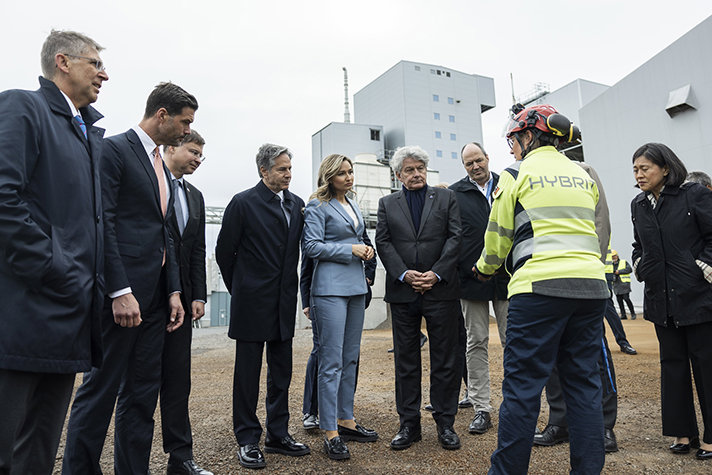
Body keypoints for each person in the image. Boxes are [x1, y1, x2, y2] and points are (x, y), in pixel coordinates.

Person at [63, 82, 195, 474]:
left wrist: (173, 290)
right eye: (185, 122)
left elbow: (164, 231)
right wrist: (119, 290)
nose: (187, 130)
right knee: (100, 391)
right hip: (121, 298)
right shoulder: (115, 150)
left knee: (141, 395)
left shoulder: (160, 165)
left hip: (155, 301)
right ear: (162, 115)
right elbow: (105, 225)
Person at [475, 103, 610, 474]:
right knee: (584, 386)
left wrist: (484, 269)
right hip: (590, 289)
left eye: (514, 140)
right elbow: (595, 229)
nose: (512, 149)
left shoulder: (515, 173)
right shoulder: (582, 174)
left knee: (522, 389)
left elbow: (498, 235)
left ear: (530, 136)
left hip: (538, 289)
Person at [0, 29, 108, 474]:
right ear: (62, 62)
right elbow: (4, 197)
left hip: (67, 314)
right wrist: (52, 265)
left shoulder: (85, 130)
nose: (105, 73)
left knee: (39, 448)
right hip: (25, 312)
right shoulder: (23, 106)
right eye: (94, 64)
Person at [215, 144, 310, 469]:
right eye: (282, 169)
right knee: (247, 375)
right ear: (263, 171)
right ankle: (247, 438)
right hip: (252, 303)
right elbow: (224, 252)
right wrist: (241, 289)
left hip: (284, 302)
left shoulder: (297, 204)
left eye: (289, 169)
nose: (288, 174)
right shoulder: (243, 203)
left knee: (281, 373)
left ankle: (278, 434)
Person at [375, 145, 463, 451]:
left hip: (441, 290)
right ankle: (408, 424)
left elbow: (455, 237)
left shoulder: (446, 198)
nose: (416, 174)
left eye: (420, 169)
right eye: (410, 170)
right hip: (403, 292)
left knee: (445, 359)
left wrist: (436, 273)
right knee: (406, 361)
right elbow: (383, 242)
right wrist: (403, 273)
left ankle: (445, 423)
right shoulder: (387, 203)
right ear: (398, 174)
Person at [631, 142, 712, 460]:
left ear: (665, 168)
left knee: (707, 367)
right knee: (673, 367)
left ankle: (710, 437)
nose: (638, 174)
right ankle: (683, 433)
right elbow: (639, 244)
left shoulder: (694, 195)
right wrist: (640, 266)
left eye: (644, 168)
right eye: (635, 169)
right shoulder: (639, 204)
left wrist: (703, 268)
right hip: (660, 299)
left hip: (697, 297)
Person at [534, 160, 620, 454]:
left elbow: (600, 220)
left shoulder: (581, 170)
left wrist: (592, 265)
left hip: (583, 278)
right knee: (552, 357)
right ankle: (560, 422)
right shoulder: (527, 172)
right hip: (545, 279)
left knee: (594, 354)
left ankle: (603, 425)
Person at [302, 154, 379, 460]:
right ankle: (330, 430)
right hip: (330, 289)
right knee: (331, 361)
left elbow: (358, 235)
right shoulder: (317, 205)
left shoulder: (352, 203)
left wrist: (366, 251)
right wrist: (350, 249)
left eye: (351, 172)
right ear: (329, 176)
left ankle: (346, 419)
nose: (349, 177)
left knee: (350, 359)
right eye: (343, 173)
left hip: (356, 288)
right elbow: (311, 247)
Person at [160, 131, 212, 475]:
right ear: (170, 147)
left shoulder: (195, 195)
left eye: (200, 155)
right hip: (149, 295)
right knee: (138, 384)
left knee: (178, 381)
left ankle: (181, 458)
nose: (197, 159)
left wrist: (198, 294)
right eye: (193, 152)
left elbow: (196, 250)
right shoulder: (152, 183)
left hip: (184, 301)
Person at [449, 142, 509, 435]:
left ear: (488, 158)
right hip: (471, 280)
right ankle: (481, 407)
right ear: (464, 167)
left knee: (514, 340)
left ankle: (514, 404)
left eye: (478, 160)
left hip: (508, 278)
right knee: (476, 341)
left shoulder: (508, 183)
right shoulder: (455, 193)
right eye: (469, 163)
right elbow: (451, 235)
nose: (475, 166)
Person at [300, 227, 377, 431]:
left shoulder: (352, 213)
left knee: (350, 355)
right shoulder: (316, 214)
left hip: (354, 291)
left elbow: (368, 247)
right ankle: (311, 411)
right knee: (322, 352)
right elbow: (307, 262)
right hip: (325, 294)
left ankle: (344, 414)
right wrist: (306, 301)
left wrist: (367, 276)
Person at [603, 248, 638, 354]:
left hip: (605, 276)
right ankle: (601, 347)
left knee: (611, 311)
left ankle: (623, 343)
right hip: (612, 284)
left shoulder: (622, 263)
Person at [610, 250, 636, 320]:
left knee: (626, 299)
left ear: (617, 256)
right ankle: (623, 315)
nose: (613, 257)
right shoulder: (610, 265)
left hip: (624, 284)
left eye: (614, 256)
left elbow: (629, 269)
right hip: (616, 285)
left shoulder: (623, 262)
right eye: (612, 256)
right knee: (619, 300)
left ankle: (633, 313)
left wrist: (619, 272)